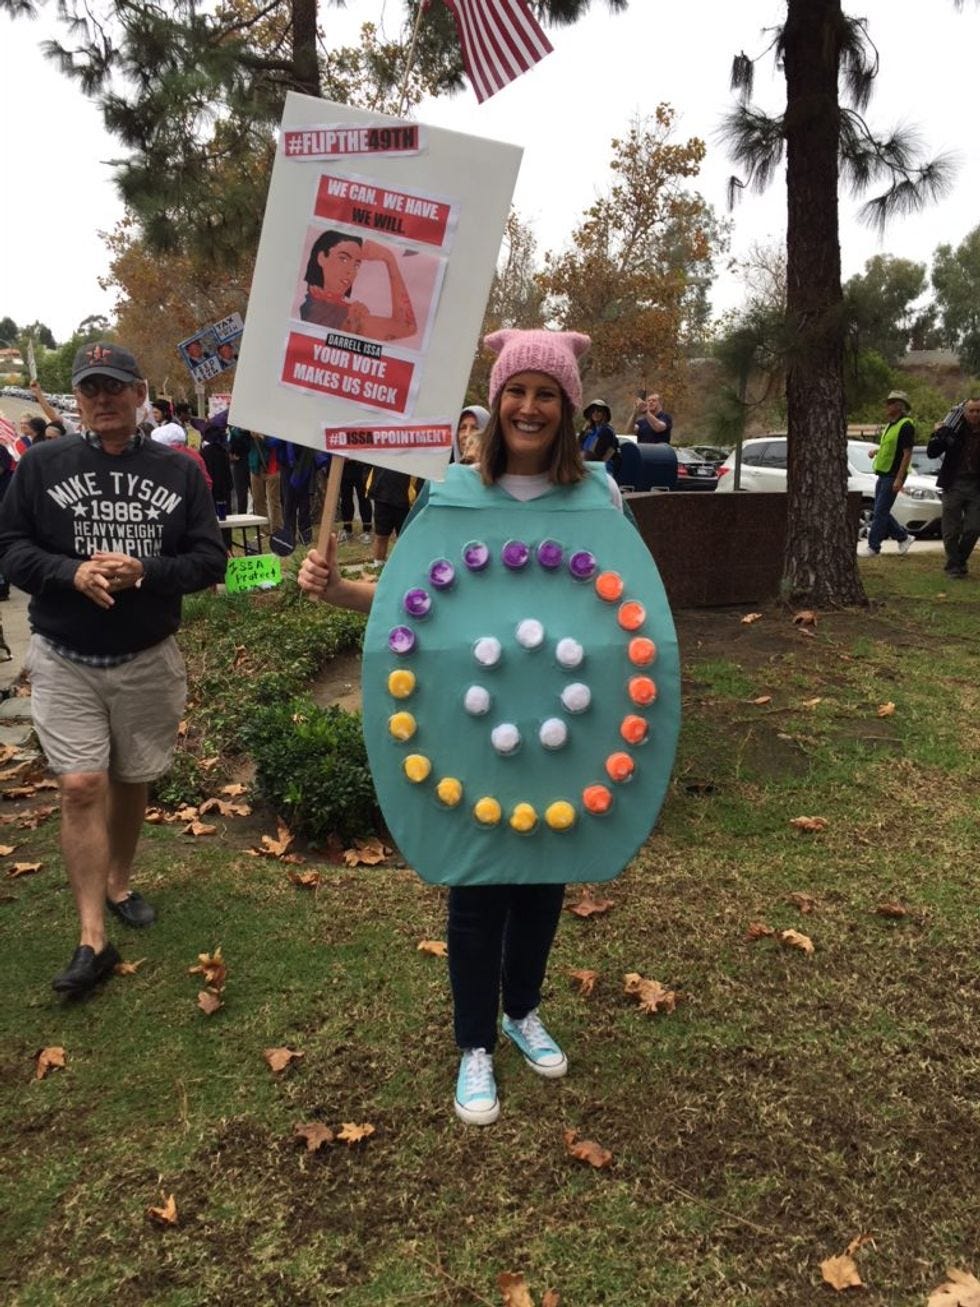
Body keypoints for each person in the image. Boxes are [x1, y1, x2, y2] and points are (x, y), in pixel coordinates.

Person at [298, 328, 632, 1126]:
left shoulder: (600, 498)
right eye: (516, 390)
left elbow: (625, 608)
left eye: (545, 393)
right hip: (471, 717)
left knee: (545, 876)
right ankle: (475, 1041)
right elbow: (410, 601)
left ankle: (522, 1011)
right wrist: (337, 590)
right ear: (495, 401)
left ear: (568, 407)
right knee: (479, 886)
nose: (528, 406)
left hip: (560, 716)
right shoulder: (450, 495)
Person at [0, 341, 226, 997]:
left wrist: (144, 570)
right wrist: (70, 571)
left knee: (131, 779)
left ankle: (119, 880)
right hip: (65, 654)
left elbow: (210, 561)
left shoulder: (179, 471)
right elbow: (10, 548)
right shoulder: (41, 465)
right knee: (80, 784)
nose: (102, 398)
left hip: (146, 656)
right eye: (90, 387)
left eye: (114, 386)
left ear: (138, 393)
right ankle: (92, 935)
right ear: (77, 398)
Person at [299, 230, 417, 343]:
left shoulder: (340, 309)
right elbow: (406, 327)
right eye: (343, 259)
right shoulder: (323, 311)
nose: (351, 271)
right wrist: (389, 259)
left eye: (356, 265)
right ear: (321, 258)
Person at [927, 396, 980, 578]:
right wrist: (939, 433)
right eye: (971, 411)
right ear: (964, 412)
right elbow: (932, 452)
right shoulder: (953, 428)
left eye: (978, 411)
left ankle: (957, 562)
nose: (975, 414)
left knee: (974, 528)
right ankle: (956, 567)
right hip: (953, 483)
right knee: (951, 530)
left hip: (976, 486)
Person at [861, 390, 914, 558]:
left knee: (880, 512)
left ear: (899, 406)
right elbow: (891, 447)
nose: (887, 406)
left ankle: (873, 547)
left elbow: (907, 454)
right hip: (883, 473)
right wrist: (877, 451)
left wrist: (899, 478)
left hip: (893, 475)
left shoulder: (906, 425)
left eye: (891, 403)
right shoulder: (891, 425)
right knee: (880, 510)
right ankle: (903, 537)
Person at [365, 465, 419, 566]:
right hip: (382, 496)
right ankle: (378, 566)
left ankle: (405, 567)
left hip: (405, 498)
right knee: (381, 535)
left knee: (405, 538)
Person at [248, 433, 283, 537]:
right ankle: (264, 529)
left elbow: (276, 442)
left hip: (273, 467)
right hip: (256, 468)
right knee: (258, 499)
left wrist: (262, 437)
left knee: (274, 500)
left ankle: (277, 529)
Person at [579, 398, 620, 473]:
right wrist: (583, 431)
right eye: (593, 411)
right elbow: (578, 447)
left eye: (599, 411)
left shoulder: (606, 431)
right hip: (586, 465)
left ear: (604, 414)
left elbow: (597, 455)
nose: (595, 413)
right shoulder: (589, 431)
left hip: (602, 468)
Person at [339, 457, 373, 542]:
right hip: (345, 466)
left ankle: (367, 530)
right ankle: (347, 529)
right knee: (345, 498)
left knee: (363, 498)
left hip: (361, 465)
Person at [201, 424, 233, 512]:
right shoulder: (223, 451)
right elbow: (228, 473)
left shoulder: (204, 452)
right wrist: (229, 485)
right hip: (224, 490)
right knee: (225, 514)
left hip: (210, 490)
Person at [228, 425, 253, 514]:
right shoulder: (236, 432)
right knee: (243, 495)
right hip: (244, 463)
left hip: (243, 463)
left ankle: (244, 515)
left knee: (243, 495)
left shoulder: (235, 433)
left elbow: (231, 449)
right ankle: (244, 515)